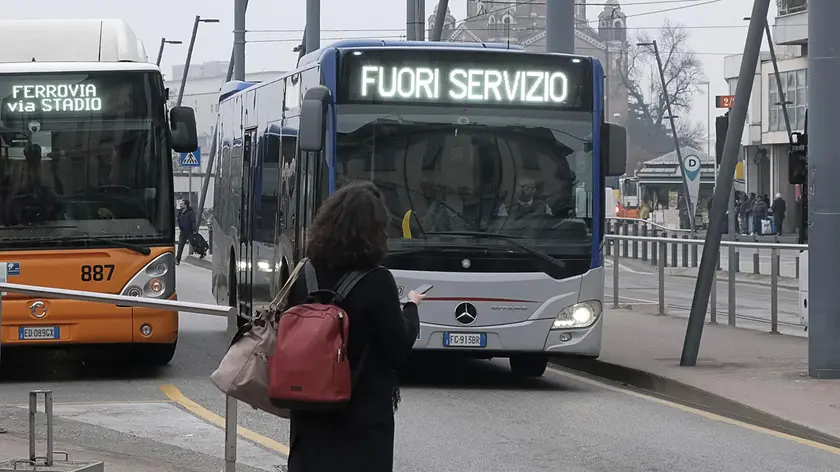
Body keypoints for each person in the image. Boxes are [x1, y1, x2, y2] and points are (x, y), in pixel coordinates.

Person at [284, 181, 421, 472]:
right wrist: (411, 308)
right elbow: (398, 347)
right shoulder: (377, 280)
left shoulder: (304, 271)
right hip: (362, 414)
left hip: (308, 408)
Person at [175, 199, 197, 265]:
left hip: (189, 231)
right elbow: (178, 220)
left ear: (185, 205)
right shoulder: (180, 212)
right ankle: (177, 259)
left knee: (194, 243)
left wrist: (194, 230)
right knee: (180, 245)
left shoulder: (190, 212)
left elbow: (193, 221)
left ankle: (202, 252)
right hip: (183, 231)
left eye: (182, 203)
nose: (180, 205)